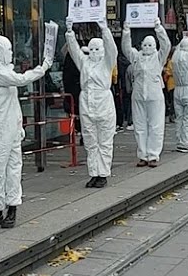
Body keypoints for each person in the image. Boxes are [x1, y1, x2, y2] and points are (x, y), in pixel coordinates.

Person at [0, 34, 52, 229]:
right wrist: (43, 68)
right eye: (8, 50)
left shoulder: (2, 70)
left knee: (13, 169)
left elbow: (13, 103)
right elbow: (20, 79)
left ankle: (12, 208)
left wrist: (19, 125)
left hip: (10, 126)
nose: (11, 53)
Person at [66, 19, 116, 187]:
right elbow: (74, 51)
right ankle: (94, 172)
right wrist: (70, 33)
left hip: (103, 103)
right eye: (92, 49)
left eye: (97, 49)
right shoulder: (84, 63)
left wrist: (105, 30)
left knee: (105, 141)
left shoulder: (107, 64)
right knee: (90, 141)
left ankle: (103, 173)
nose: (94, 52)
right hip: (86, 103)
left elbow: (112, 50)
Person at [123, 19, 171, 167]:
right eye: (145, 44)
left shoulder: (158, 57)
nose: (147, 47)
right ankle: (143, 154)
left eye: (150, 45)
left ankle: (153, 154)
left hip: (154, 94)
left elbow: (166, 45)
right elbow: (126, 49)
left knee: (156, 125)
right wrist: (126, 31)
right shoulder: (136, 57)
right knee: (140, 126)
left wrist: (159, 28)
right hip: (138, 95)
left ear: (155, 46)